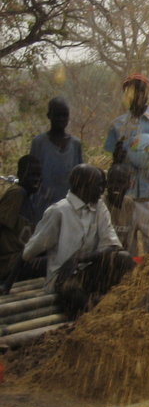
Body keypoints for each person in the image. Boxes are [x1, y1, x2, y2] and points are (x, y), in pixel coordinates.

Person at [22, 164, 134, 317]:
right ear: (82, 186)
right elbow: (29, 252)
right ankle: (97, 313)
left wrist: (78, 258)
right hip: (63, 279)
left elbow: (114, 247)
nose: (103, 190)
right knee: (70, 289)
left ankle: (115, 304)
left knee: (124, 259)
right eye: (99, 186)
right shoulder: (58, 211)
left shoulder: (99, 207)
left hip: (87, 272)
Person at [104, 73, 149, 253]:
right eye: (131, 91)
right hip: (124, 199)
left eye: (141, 91)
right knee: (124, 249)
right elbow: (113, 163)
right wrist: (117, 158)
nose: (136, 95)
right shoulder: (117, 125)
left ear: (148, 94)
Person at [30, 96, 84, 214]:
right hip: (42, 206)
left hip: (68, 207)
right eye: (58, 115)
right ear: (49, 115)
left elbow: (80, 178)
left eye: (65, 115)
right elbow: (31, 176)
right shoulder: (39, 143)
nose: (61, 119)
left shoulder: (75, 144)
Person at [0, 155, 44, 293]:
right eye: (32, 175)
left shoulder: (29, 199)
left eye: (38, 175)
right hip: (10, 263)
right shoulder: (17, 194)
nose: (36, 180)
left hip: (20, 259)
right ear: (20, 174)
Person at [103, 163, 139, 257]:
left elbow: (130, 240)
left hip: (121, 257)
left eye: (121, 182)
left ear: (129, 185)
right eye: (112, 182)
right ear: (106, 184)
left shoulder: (129, 204)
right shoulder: (101, 204)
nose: (116, 186)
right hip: (102, 257)